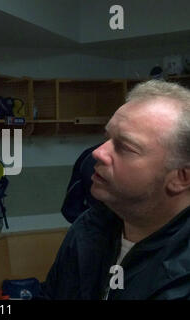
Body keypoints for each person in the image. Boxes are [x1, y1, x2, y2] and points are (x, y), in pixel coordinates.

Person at [40, 79, 190, 300]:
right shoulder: (89, 227)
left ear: (181, 178)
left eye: (125, 147)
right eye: (107, 138)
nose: (98, 152)